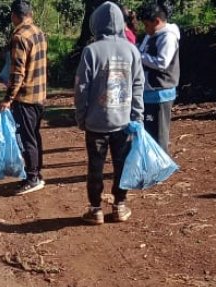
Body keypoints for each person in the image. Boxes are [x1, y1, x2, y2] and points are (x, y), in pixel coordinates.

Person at [75, 1, 145, 225]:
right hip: (123, 122)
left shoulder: (91, 51)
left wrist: (81, 117)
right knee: (121, 166)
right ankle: (120, 206)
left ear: (95, 23)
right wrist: (137, 116)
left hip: (96, 123)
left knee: (95, 167)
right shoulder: (132, 50)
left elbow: (81, 88)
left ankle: (95, 209)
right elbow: (138, 86)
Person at [0, 0, 48, 195]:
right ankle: (37, 173)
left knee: (27, 139)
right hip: (40, 95)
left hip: (25, 97)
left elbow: (18, 73)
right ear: (30, 14)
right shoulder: (39, 33)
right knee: (35, 135)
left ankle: (32, 177)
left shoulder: (19, 37)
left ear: (14, 16)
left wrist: (8, 98)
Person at [138, 0, 180, 153]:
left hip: (160, 93)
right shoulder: (153, 34)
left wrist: (139, 56)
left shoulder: (167, 37)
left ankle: (160, 169)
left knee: (159, 134)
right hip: (150, 91)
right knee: (150, 131)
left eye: (147, 25)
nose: (145, 28)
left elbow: (162, 63)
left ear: (157, 21)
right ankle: (153, 165)